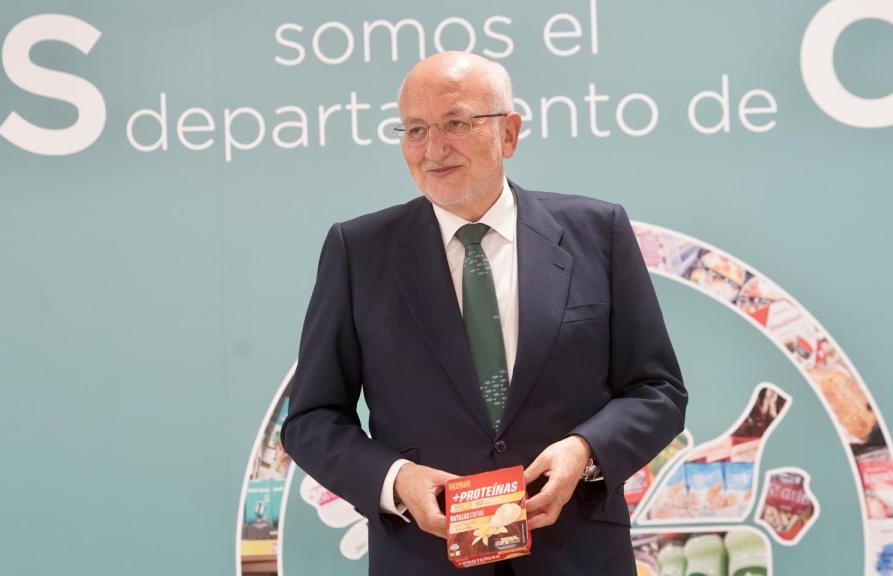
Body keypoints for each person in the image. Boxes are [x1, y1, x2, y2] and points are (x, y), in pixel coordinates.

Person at [282, 51, 687, 575]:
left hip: (576, 555)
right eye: (415, 130)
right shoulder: (358, 252)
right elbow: (311, 419)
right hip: (426, 559)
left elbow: (657, 391)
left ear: (509, 134)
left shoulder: (598, 231)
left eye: (456, 123)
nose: (433, 149)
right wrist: (396, 479)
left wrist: (585, 452)